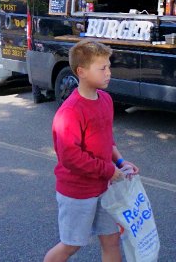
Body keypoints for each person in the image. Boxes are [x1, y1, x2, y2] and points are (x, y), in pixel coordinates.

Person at [44, 40, 139, 262]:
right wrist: (108, 171)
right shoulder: (70, 112)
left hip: (104, 187)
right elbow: (71, 158)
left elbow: (108, 140)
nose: (109, 73)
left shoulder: (105, 99)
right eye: (102, 68)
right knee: (71, 245)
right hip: (77, 192)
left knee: (111, 239)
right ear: (81, 72)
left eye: (109, 66)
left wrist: (120, 162)